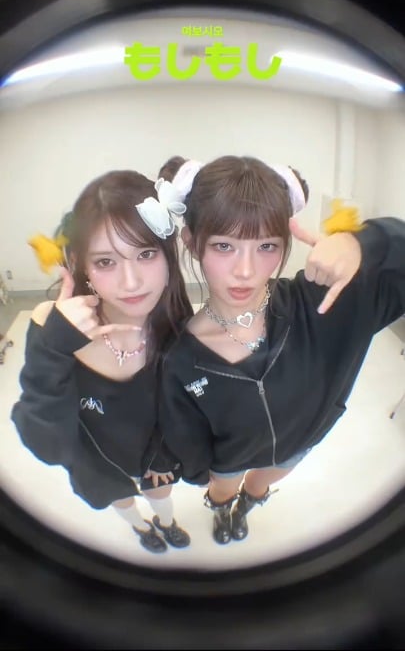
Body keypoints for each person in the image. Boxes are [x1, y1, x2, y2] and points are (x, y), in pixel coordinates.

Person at [156, 155, 405, 545]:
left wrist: (365, 243)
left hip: (298, 440)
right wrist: (197, 469)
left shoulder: (326, 306)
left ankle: (246, 506)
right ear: (192, 241)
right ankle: (222, 509)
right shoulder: (180, 359)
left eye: (266, 246)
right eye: (224, 246)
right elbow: (188, 440)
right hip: (228, 460)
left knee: (261, 483)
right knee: (222, 488)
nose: (245, 270)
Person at [11, 169, 194, 554]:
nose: (131, 282)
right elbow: (49, 446)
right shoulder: (51, 327)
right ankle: (143, 530)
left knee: (161, 496)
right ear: (83, 266)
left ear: (168, 256)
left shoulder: (176, 322)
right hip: (96, 463)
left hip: (153, 455)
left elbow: (181, 404)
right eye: (106, 261)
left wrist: (162, 454)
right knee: (122, 501)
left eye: (146, 254)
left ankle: (166, 523)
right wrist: (54, 349)